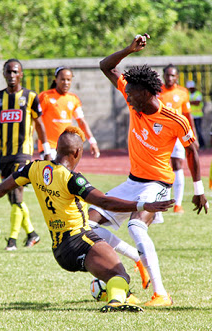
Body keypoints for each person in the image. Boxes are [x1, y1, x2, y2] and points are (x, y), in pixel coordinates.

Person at [0, 126, 175, 312]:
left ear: (57, 149)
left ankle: (113, 293)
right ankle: (116, 301)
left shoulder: (33, 168)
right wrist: (144, 205)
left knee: (110, 268)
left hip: (59, 250)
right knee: (120, 275)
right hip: (80, 239)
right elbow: (104, 202)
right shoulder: (72, 179)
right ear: (77, 153)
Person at [90, 34, 208, 307]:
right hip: (132, 182)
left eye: (130, 93)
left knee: (135, 226)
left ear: (146, 93)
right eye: (127, 91)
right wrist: (130, 50)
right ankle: (137, 260)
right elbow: (104, 66)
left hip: (157, 184)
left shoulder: (173, 119)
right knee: (87, 226)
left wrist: (199, 190)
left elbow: (192, 149)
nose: (126, 96)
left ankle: (161, 294)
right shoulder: (135, 100)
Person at [0, 59, 51, 251]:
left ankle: (12, 240)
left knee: (17, 194)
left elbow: (39, 124)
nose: (12, 75)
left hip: (23, 154)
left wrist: (45, 149)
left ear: (21, 74)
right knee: (10, 196)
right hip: (4, 155)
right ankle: (32, 233)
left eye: (15, 72)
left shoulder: (30, 97)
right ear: (4, 74)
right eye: (9, 72)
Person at [37, 67, 100, 159]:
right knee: (53, 172)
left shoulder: (73, 98)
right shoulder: (45, 96)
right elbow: (36, 120)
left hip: (66, 145)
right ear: (56, 80)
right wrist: (45, 147)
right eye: (63, 79)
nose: (66, 82)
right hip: (49, 146)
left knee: (66, 172)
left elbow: (81, 121)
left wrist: (92, 141)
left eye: (68, 80)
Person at [159, 64, 196, 213]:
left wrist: (193, 135)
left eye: (173, 75)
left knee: (178, 165)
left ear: (177, 76)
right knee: (161, 166)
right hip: (160, 134)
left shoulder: (182, 92)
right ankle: (163, 202)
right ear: (163, 76)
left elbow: (188, 115)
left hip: (177, 134)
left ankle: (178, 204)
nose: (170, 78)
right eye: (167, 75)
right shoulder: (157, 91)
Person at [186, 80, 205, 148]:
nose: (190, 89)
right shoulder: (187, 93)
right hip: (189, 115)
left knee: (198, 130)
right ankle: (190, 144)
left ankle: (201, 144)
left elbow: (197, 103)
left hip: (197, 115)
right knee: (189, 131)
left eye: (191, 87)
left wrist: (189, 102)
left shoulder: (198, 94)